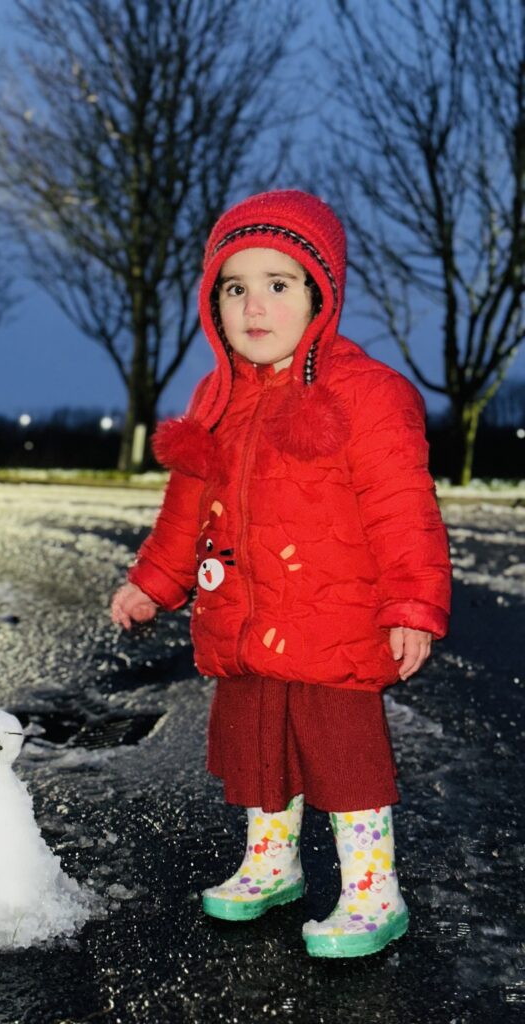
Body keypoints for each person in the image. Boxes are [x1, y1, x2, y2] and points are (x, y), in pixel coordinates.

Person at [110, 190, 451, 959]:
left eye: (278, 284)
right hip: (243, 614)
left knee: (342, 755)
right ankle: (273, 862)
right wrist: (154, 582)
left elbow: (404, 509)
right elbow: (184, 509)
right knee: (258, 747)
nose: (254, 306)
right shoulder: (217, 397)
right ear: (213, 302)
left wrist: (412, 604)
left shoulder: (366, 394)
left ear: (319, 295)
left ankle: (372, 891)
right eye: (235, 288)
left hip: (336, 622)